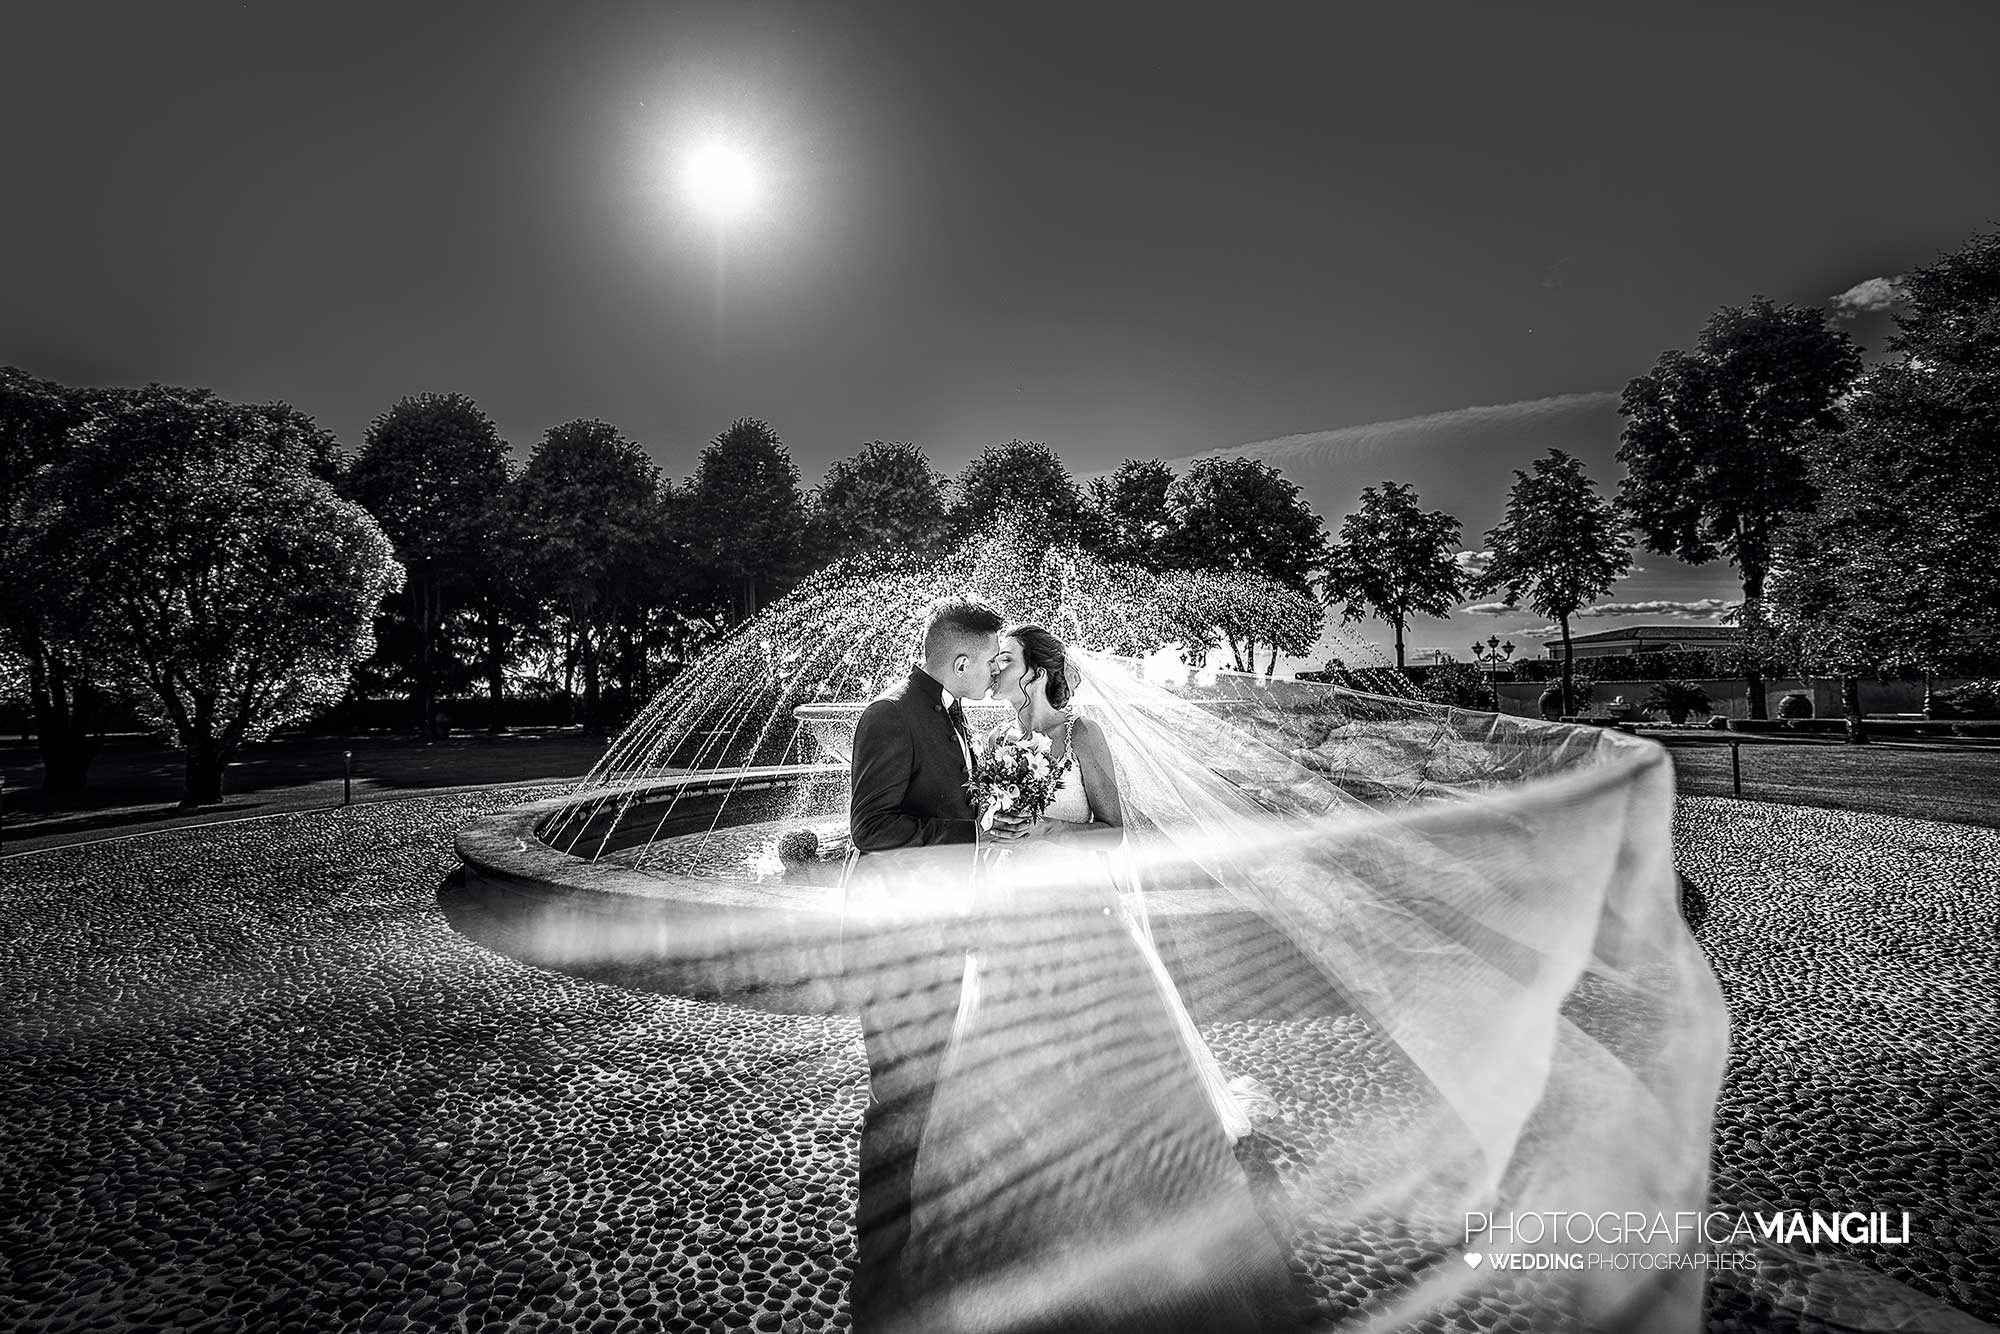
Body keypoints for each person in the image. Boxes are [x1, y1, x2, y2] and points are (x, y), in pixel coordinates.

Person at [901, 624, 1308, 1334]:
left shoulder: (1083, 737)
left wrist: (1048, 836)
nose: (995, 669)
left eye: (1008, 661)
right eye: (993, 660)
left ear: (1038, 672)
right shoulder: (997, 746)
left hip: (1087, 922)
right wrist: (995, 849)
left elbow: (1118, 829)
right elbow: (991, 836)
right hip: (1015, 928)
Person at [842, 598, 1011, 1332]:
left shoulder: (948, 712)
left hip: (940, 928)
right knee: (899, 1096)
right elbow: (871, 828)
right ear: (961, 660)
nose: (998, 668)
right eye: (991, 658)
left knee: (930, 1086)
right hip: (897, 937)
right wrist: (968, 826)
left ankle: (916, 1235)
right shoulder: (890, 713)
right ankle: (880, 1267)